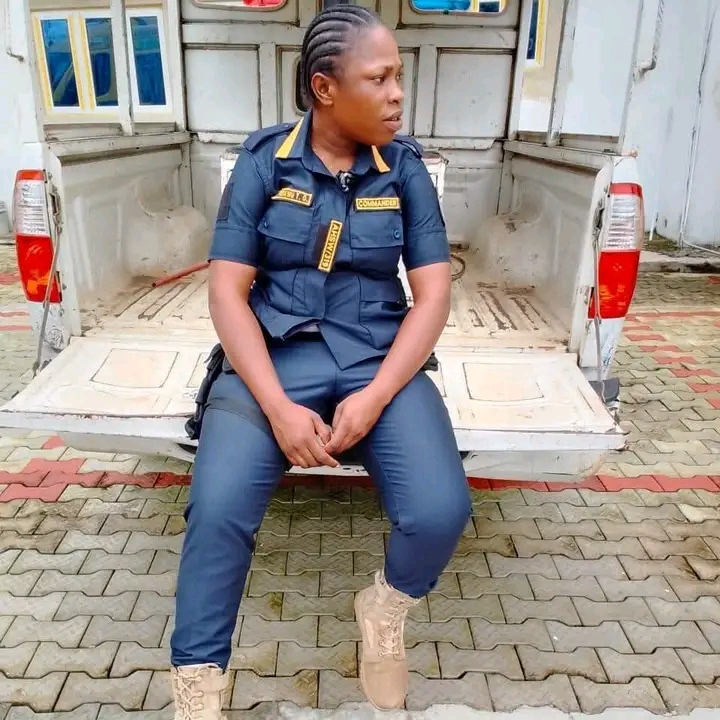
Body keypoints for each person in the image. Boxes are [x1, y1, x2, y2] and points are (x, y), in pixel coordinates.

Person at [169, 4, 472, 716]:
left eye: (398, 77)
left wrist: (377, 395)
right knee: (216, 511)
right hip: (275, 361)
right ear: (325, 88)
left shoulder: (404, 169)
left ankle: (385, 607)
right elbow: (227, 291)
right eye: (380, 78)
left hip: (377, 362)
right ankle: (197, 684)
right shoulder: (264, 162)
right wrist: (277, 408)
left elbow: (432, 296)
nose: (398, 94)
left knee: (440, 510)